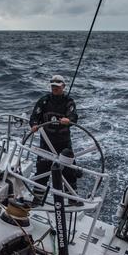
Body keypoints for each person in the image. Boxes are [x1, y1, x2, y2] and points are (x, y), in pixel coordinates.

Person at [28, 74, 80, 204]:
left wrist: (69, 120)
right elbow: (35, 116)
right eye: (53, 86)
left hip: (64, 143)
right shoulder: (44, 101)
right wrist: (34, 125)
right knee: (42, 169)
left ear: (63, 86)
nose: (55, 88)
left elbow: (73, 117)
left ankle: (73, 200)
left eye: (57, 86)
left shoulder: (69, 102)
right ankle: (38, 199)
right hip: (47, 142)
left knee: (69, 172)